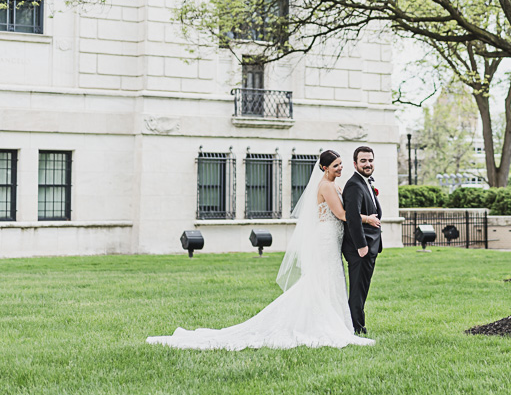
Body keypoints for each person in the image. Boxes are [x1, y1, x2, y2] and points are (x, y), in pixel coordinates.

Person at [146, 150, 374, 350]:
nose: (340, 167)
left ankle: (335, 320)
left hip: (334, 237)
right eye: (336, 165)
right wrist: (368, 219)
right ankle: (322, 323)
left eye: (342, 164)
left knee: (331, 278)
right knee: (323, 278)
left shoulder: (336, 183)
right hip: (326, 237)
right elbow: (343, 214)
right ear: (324, 168)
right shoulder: (325, 185)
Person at [341, 145, 382, 335]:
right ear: (355, 163)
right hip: (360, 248)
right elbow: (352, 217)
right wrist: (361, 246)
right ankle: (357, 327)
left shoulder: (366, 182)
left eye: (370, 160)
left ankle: (357, 324)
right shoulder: (354, 185)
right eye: (363, 161)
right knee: (357, 289)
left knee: (363, 288)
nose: (368, 164)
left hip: (370, 246)